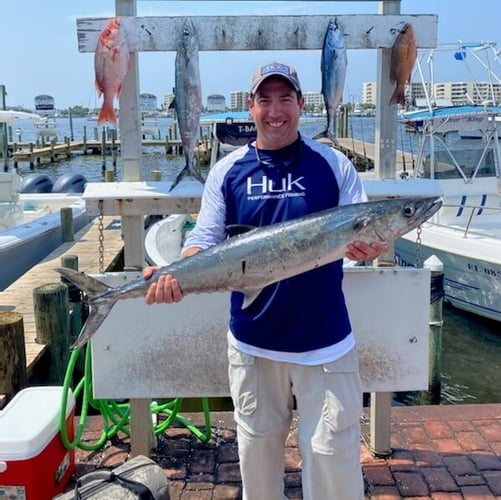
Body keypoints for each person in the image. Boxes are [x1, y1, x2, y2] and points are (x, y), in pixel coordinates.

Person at [144, 61, 388, 500]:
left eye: (285, 99)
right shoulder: (228, 171)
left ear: (301, 105)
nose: (276, 111)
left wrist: (371, 248)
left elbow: (363, 224)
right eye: (265, 101)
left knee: (335, 466)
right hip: (253, 345)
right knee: (257, 470)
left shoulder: (333, 164)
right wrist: (177, 272)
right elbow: (204, 236)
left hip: (326, 344)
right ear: (251, 107)